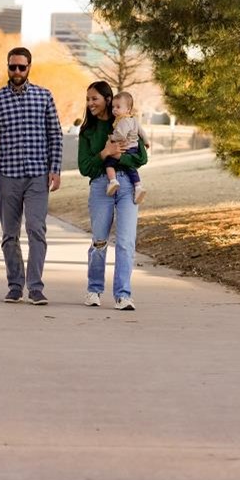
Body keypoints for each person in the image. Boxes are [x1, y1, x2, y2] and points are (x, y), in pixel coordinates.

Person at [0, 46, 63, 305]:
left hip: (38, 175)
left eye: (21, 67)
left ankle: (35, 287)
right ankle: (15, 285)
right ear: (7, 67)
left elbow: (55, 135)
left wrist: (55, 169)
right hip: (8, 175)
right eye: (12, 66)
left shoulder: (44, 96)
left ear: (29, 67)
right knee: (10, 234)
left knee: (36, 229)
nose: (17, 71)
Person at [77, 81, 148, 311]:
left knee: (126, 242)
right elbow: (85, 167)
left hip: (127, 185)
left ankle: (123, 295)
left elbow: (141, 158)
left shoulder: (126, 121)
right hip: (101, 186)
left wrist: (119, 159)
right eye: (88, 99)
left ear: (108, 100)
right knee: (99, 240)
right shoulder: (87, 130)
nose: (90, 104)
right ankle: (94, 290)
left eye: (94, 99)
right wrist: (105, 153)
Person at [103, 91, 149, 203]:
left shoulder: (123, 121)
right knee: (130, 168)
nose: (114, 109)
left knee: (109, 163)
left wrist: (111, 138)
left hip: (125, 148)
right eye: (113, 107)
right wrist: (146, 142)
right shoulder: (134, 119)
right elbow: (141, 132)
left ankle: (113, 181)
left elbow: (121, 135)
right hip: (134, 148)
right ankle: (138, 187)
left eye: (118, 107)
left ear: (128, 109)